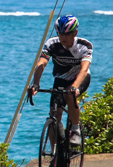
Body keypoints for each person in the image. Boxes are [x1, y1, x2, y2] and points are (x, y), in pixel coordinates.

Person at [29, 15, 93, 146]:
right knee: (54, 114)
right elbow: (41, 64)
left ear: (75, 32)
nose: (63, 37)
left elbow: (84, 70)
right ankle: (55, 156)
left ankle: (75, 131)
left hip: (80, 78)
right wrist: (35, 83)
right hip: (61, 79)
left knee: (70, 95)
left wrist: (74, 87)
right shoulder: (52, 44)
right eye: (60, 33)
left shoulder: (84, 45)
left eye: (67, 34)